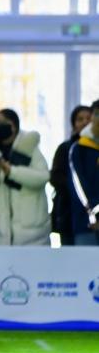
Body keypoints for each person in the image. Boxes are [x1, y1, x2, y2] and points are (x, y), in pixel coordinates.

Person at [0, 109, 50, 246]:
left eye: (3, 122)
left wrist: (11, 171)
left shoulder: (30, 147)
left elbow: (43, 177)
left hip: (32, 232)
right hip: (0, 234)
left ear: (14, 126)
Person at [51, 104, 92, 246]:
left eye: (88, 118)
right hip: (69, 214)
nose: (85, 122)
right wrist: (79, 191)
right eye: (80, 119)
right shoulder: (66, 148)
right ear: (74, 124)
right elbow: (55, 177)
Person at [68, 100, 99, 246]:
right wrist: (95, 212)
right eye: (96, 114)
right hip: (87, 224)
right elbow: (79, 186)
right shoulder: (78, 149)